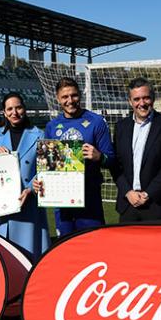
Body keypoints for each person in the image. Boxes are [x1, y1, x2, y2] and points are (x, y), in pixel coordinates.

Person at [33, 77, 115, 237]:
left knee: (93, 248)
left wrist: (99, 157)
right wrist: (39, 180)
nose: (70, 100)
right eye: (65, 97)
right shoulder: (51, 126)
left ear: (80, 96)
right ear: (58, 99)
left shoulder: (96, 122)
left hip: (90, 201)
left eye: (74, 95)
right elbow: (48, 166)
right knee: (65, 250)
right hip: (62, 202)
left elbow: (112, 159)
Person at [0, 92, 50, 262]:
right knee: (5, 260)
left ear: (25, 109)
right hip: (2, 208)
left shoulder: (39, 134)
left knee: (29, 258)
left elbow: (45, 169)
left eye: (18, 107)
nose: (15, 112)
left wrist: (30, 189)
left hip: (28, 205)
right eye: (10, 109)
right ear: (4, 112)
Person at [112, 77, 161, 221]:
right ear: (130, 102)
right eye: (136, 99)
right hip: (128, 204)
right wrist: (128, 192)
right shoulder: (121, 127)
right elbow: (116, 164)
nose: (141, 103)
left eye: (146, 98)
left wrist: (147, 194)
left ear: (153, 99)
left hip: (157, 205)